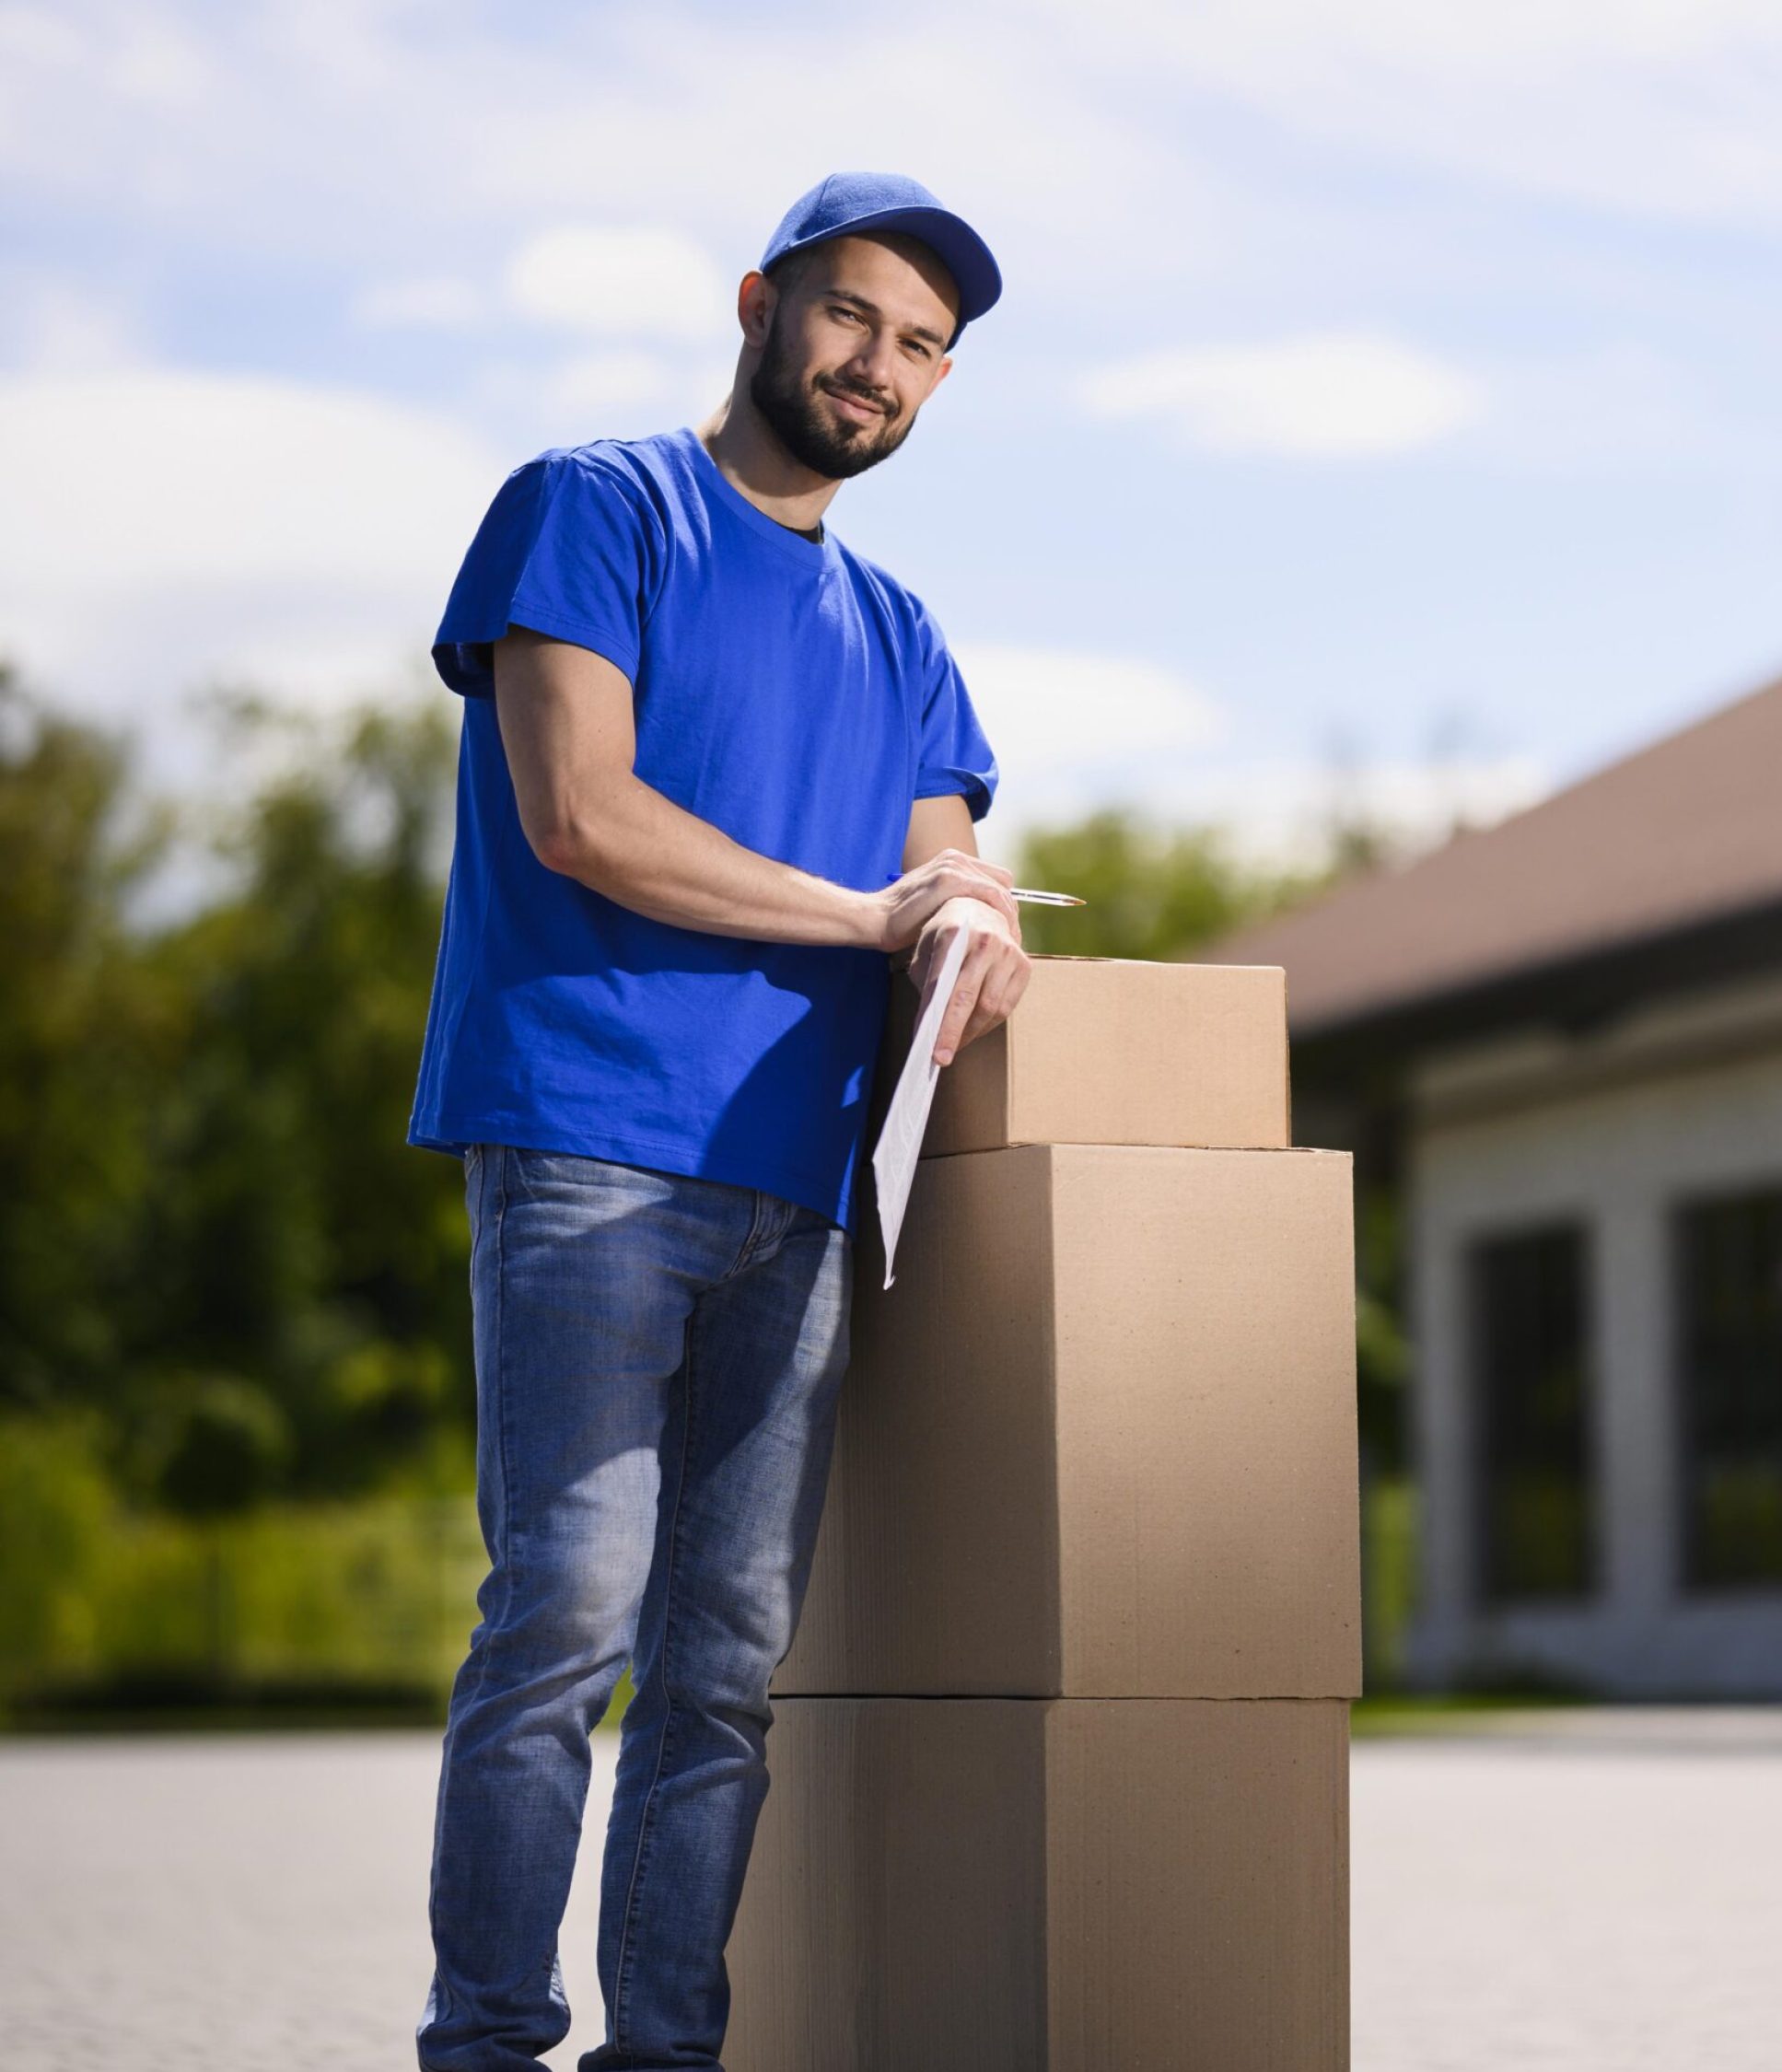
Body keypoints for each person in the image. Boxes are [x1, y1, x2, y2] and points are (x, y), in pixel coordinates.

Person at [406, 170, 1031, 2072]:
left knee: (727, 1674)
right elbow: (576, 812)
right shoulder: (595, 508)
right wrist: (868, 914)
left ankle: (664, 2052)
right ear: (761, 302)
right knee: (562, 1626)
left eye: (921, 346)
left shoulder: (903, 627)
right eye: (852, 316)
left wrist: (971, 918)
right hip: (593, 1141)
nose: (879, 366)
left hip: (811, 1189)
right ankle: (486, 2043)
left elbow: (946, 865)